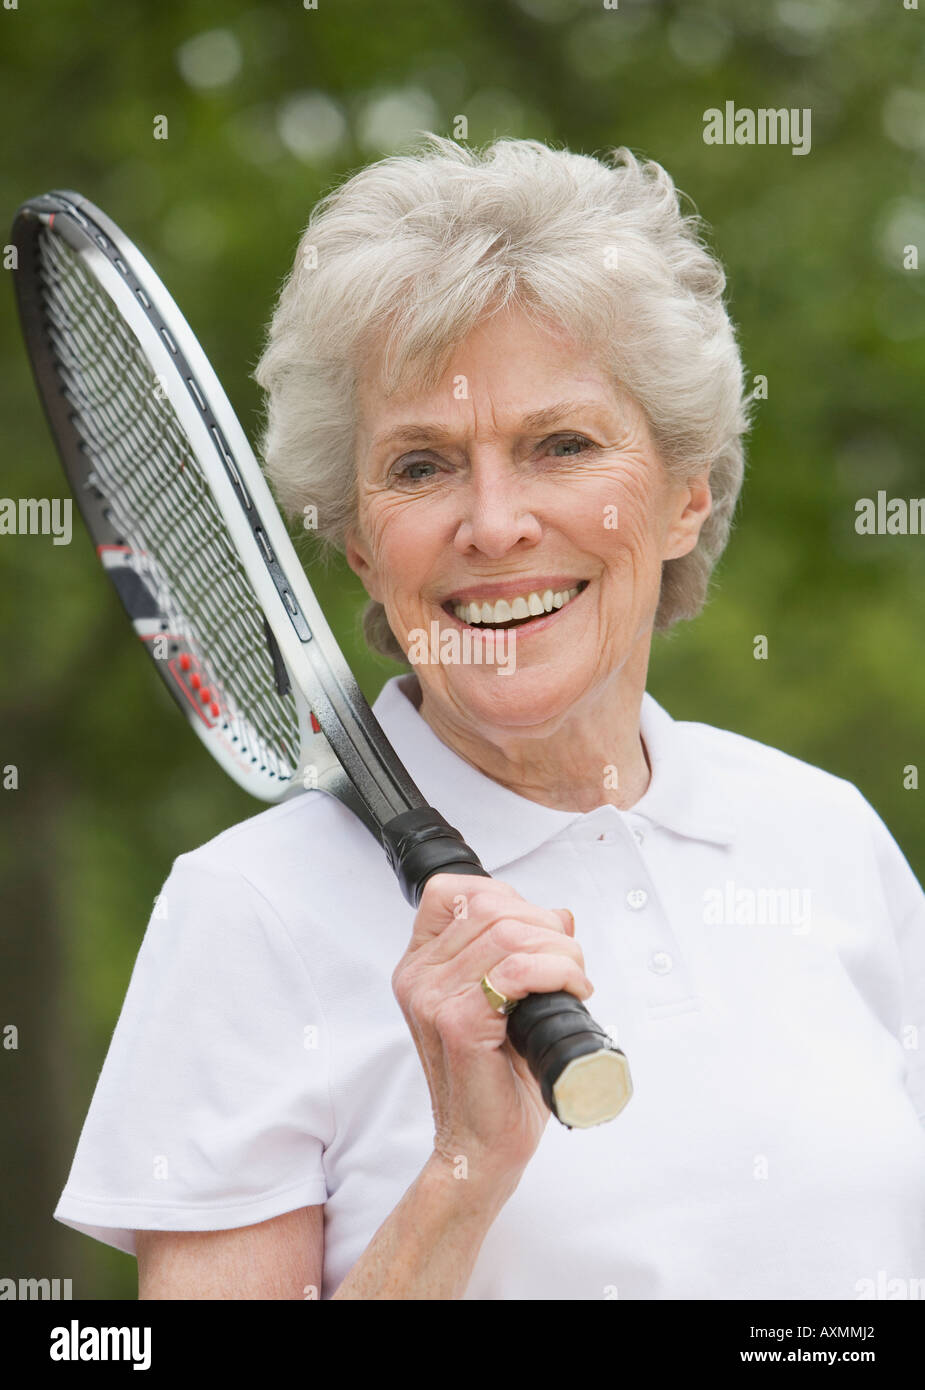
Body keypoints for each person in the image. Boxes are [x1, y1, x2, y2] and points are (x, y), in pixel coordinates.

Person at [53, 135, 925, 1300]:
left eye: (560, 444)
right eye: (421, 466)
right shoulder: (248, 911)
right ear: (360, 543)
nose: (494, 521)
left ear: (682, 496)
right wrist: (464, 1170)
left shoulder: (824, 835)